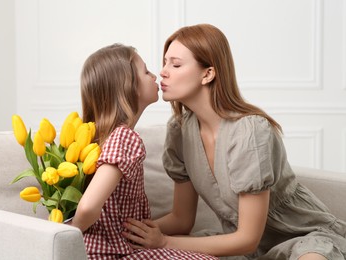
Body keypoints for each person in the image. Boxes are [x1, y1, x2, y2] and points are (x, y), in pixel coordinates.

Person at [122, 24, 346, 259]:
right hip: (242, 248)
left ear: (207, 74)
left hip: (304, 238)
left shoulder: (250, 131)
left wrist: (165, 242)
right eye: (165, 62)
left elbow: (248, 239)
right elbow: (181, 220)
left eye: (176, 64)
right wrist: (128, 233)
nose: (163, 72)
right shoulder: (179, 131)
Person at [70, 43, 218, 260]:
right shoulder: (124, 138)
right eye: (146, 71)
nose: (155, 76)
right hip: (114, 254)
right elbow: (87, 207)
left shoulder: (100, 137)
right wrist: (67, 233)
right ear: (128, 86)